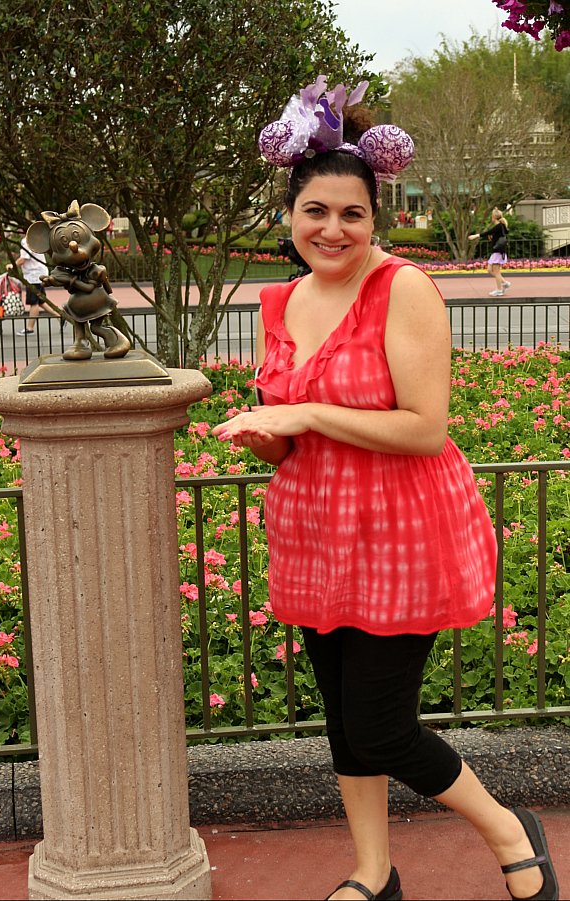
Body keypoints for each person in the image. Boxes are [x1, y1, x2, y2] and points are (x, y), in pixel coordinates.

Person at [212, 76, 558, 901]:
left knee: (380, 722)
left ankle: (510, 828)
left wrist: (307, 410)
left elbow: (424, 427)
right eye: (316, 212)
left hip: (403, 529)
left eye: (352, 213)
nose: (333, 229)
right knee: (342, 714)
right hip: (312, 529)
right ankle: (373, 872)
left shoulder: (401, 288)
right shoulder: (279, 302)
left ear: (377, 217)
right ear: (291, 216)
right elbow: (292, 431)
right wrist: (271, 436)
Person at [9, 231, 60, 335]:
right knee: (41, 301)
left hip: (33, 276)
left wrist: (11, 265)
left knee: (34, 302)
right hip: (40, 273)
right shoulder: (35, 239)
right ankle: (60, 316)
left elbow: (23, 259)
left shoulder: (26, 241)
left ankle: (30, 328)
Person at [469, 208, 511, 298]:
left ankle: (499, 290)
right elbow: (494, 234)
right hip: (497, 252)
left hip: (498, 252)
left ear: (493, 217)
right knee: (490, 270)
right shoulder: (501, 227)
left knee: (496, 271)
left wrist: (476, 236)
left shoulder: (499, 226)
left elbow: (488, 232)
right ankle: (504, 283)